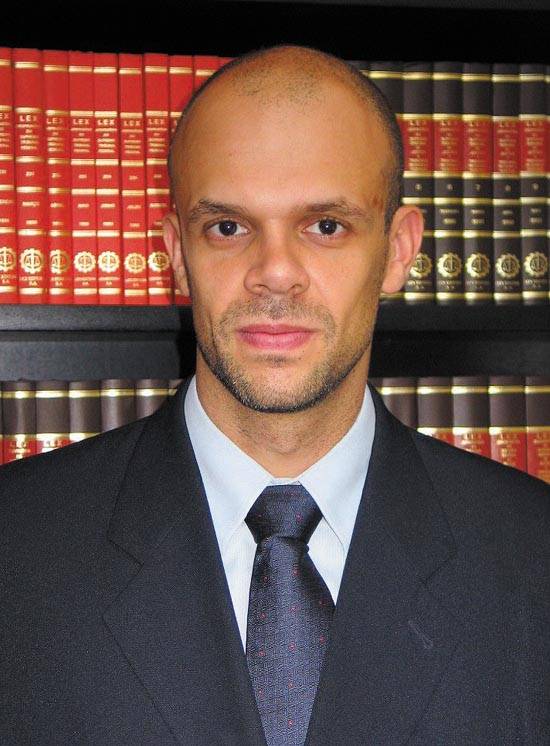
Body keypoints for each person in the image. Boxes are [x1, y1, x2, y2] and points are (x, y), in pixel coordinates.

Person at [1, 45, 549, 746]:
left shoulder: (532, 557)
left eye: (326, 226)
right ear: (177, 252)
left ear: (398, 251)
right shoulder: (17, 550)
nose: (276, 273)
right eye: (228, 227)